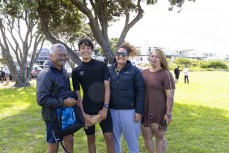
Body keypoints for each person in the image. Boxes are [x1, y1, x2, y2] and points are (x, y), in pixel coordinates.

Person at [72, 38, 115, 153]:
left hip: (103, 107)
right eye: (83, 48)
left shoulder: (101, 66)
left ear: (91, 50)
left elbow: (107, 87)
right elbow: (78, 95)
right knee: (90, 139)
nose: (85, 50)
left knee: (109, 138)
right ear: (79, 50)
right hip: (87, 109)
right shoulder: (76, 71)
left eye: (88, 48)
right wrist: (83, 114)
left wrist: (105, 108)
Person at [36, 43, 78, 153]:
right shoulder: (46, 74)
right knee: (54, 145)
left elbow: (63, 91)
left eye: (65, 55)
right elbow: (41, 99)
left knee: (69, 140)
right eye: (59, 54)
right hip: (53, 117)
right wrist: (63, 102)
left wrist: (73, 96)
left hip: (66, 115)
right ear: (51, 56)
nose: (63, 57)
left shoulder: (63, 71)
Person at [108, 42, 144, 153]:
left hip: (130, 112)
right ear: (115, 55)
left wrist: (138, 111)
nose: (121, 56)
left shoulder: (135, 71)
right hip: (113, 111)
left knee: (132, 142)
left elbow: (141, 91)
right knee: (114, 142)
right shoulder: (109, 70)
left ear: (127, 57)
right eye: (119, 54)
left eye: (124, 54)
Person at [141, 48, 175, 153]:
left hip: (160, 113)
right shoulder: (143, 72)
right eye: (152, 56)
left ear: (161, 59)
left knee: (160, 138)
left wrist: (168, 113)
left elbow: (170, 96)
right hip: (145, 111)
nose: (154, 58)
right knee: (147, 137)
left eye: (157, 56)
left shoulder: (166, 74)